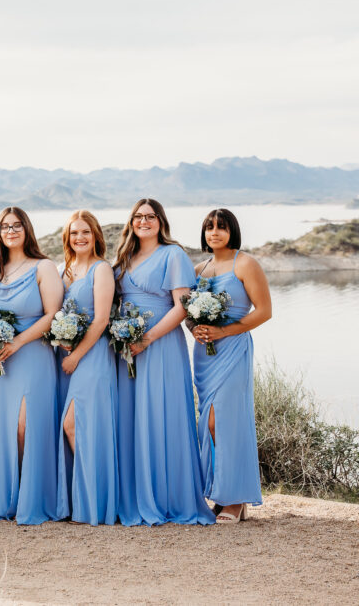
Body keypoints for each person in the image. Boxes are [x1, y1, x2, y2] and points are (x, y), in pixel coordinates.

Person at [113, 198, 214, 526]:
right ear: (131, 222)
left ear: (161, 221)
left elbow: (182, 306)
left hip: (161, 345)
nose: (144, 221)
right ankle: (134, 494)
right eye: (138, 217)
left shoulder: (173, 254)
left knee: (161, 415)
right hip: (128, 347)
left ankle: (170, 497)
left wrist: (148, 338)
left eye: (150, 216)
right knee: (132, 418)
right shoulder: (124, 258)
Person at [0, 207, 63, 524]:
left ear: (27, 229)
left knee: (26, 426)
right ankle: (8, 498)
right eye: (4, 226)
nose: (11, 231)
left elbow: (51, 314)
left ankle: (34, 499)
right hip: (0, 363)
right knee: (4, 429)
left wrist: (17, 342)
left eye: (16, 225)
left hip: (32, 355)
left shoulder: (44, 267)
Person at [189, 208, 271, 523]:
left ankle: (236, 499)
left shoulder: (245, 263)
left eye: (221, 227)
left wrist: (223, 330)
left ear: (232, 231)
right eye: (209, 227)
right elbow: (188, 314)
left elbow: (264, 311)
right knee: (206, 422)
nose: (215, 232)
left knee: (224, 420)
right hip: (204, 354)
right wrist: (194, 329)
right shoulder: (199, 268)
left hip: (233, 349)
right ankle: (220, 495)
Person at [55, 211, 118, 525]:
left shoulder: (101, 269)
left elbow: (101, 320)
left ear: (95, 236)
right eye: (74, 233)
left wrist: (76, 354)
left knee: (74, 424)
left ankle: (93, 500)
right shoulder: (66, 269)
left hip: (92, 356)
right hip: (69, 357)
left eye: (85, 233)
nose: (79, 238)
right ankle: (86, 498)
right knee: (80, 426)